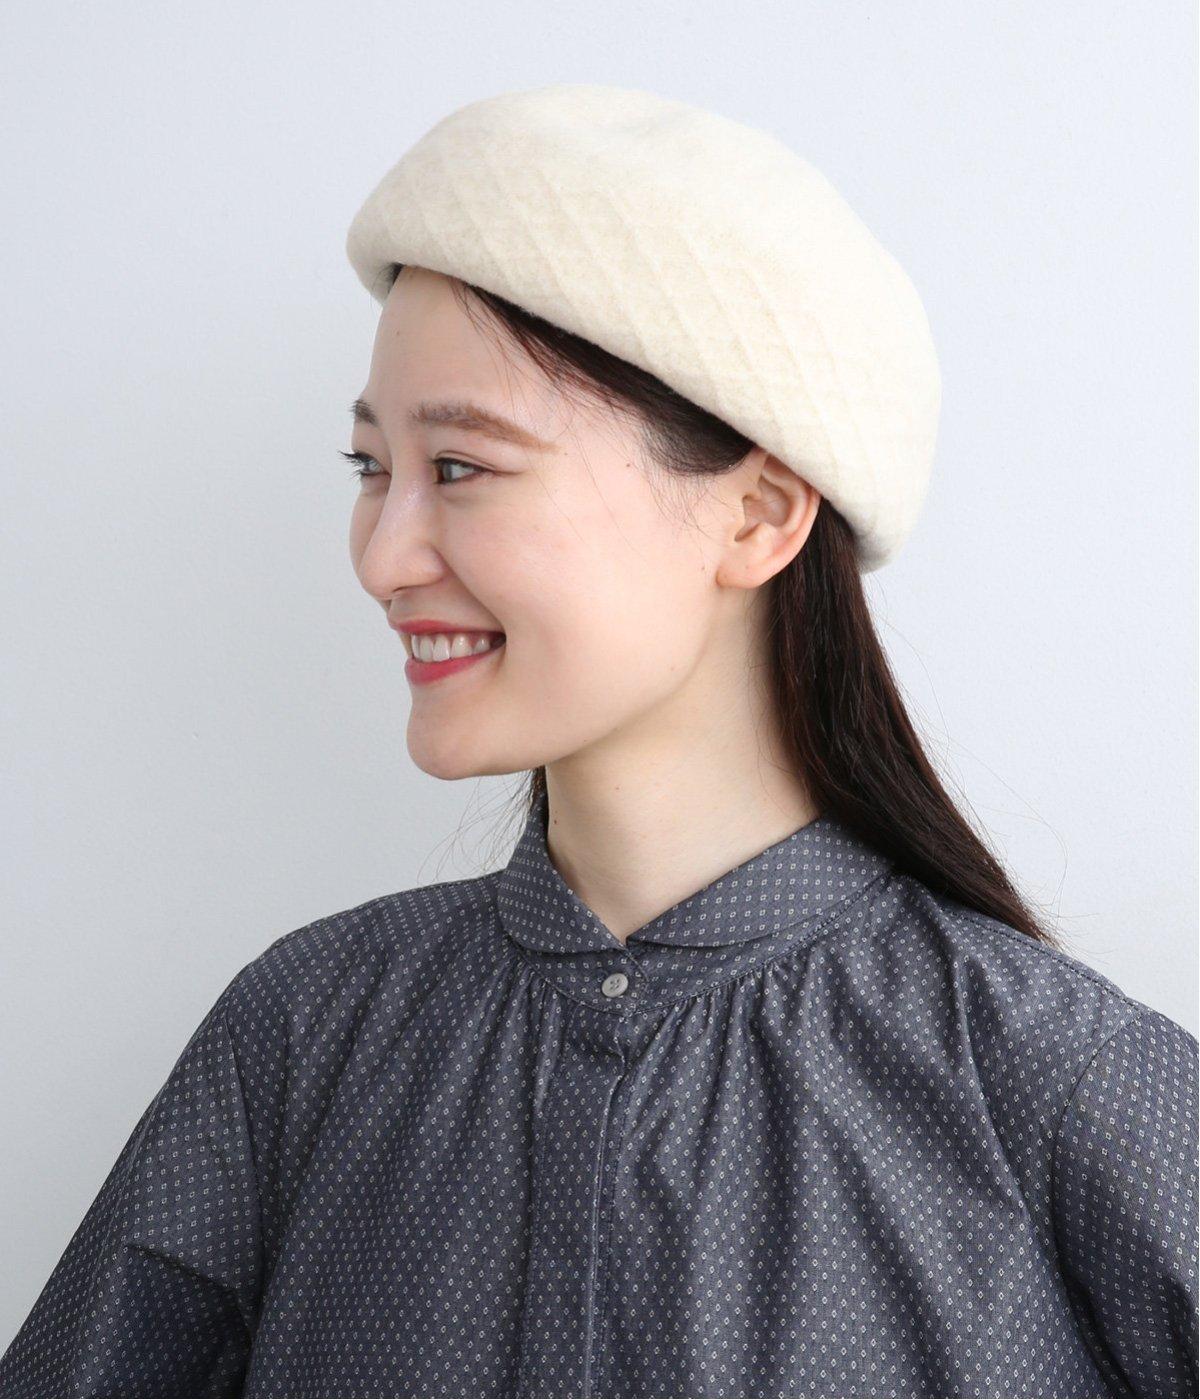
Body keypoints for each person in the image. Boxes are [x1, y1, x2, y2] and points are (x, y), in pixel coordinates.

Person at [1, 83, 1196, 1400]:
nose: (382, 557)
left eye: (462, 468)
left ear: (758, 515)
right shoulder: (301, 1038)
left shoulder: (1065, 1081)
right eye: (369, 469)